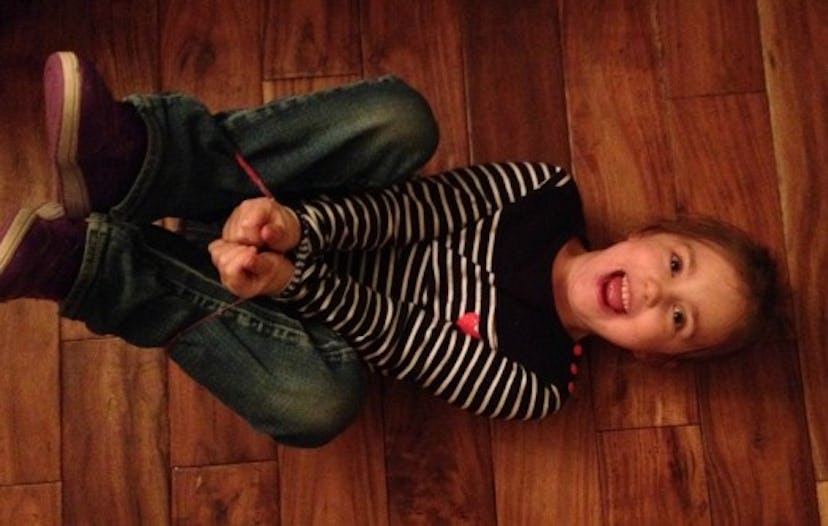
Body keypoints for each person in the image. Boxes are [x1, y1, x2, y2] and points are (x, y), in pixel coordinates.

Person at [0, 52, 778, 445]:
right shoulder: (543, 191)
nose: (654, 294)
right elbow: (405, 211)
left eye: (677, 320)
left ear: (655, 357)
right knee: (403, 121)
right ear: (648, 234)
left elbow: (408, 340)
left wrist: (284, 276)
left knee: (318, 402)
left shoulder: (538, 381)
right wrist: (294, 230)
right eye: (675, 267)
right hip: (302, 213)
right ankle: (138, 163)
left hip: (272, 306)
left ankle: (92, 267)